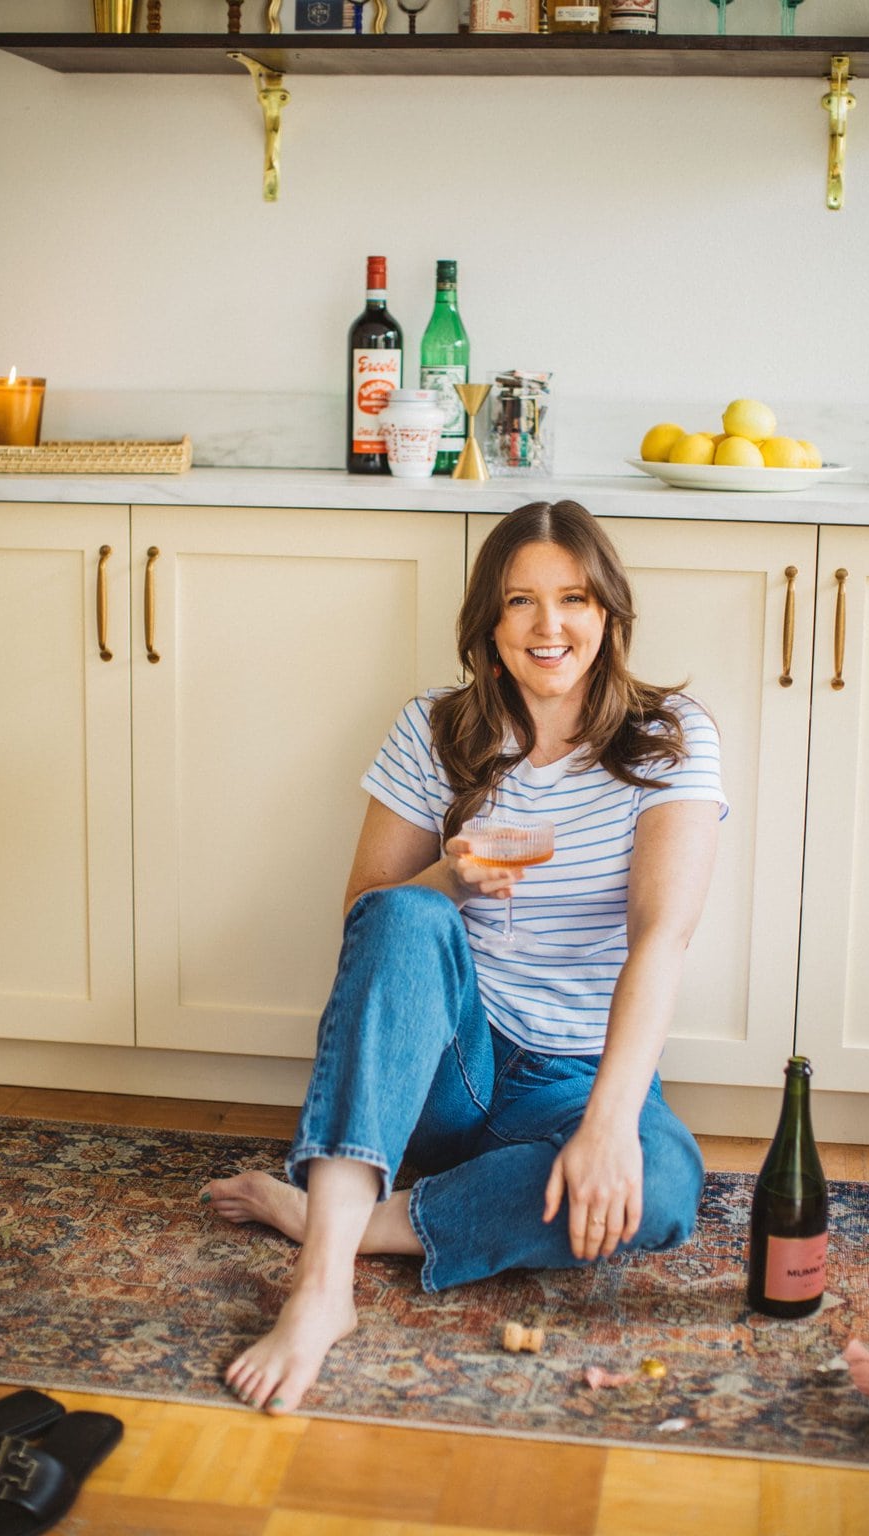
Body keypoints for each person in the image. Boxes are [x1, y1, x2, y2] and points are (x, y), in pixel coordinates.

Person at [202, 499, 727, 1414]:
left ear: (609, 615)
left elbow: (663, 937)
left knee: (668, 1181)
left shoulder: (670, 738)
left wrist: (605, 1125)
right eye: (521, 602)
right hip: (457, 1067)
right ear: (489, 620)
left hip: (578, 1076)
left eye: (573, 600)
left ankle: (349, 1220)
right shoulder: (433, 729)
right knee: (407, 914)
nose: (548, 626)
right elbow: (367, 919)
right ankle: (323, 1287)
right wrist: (449, 876)